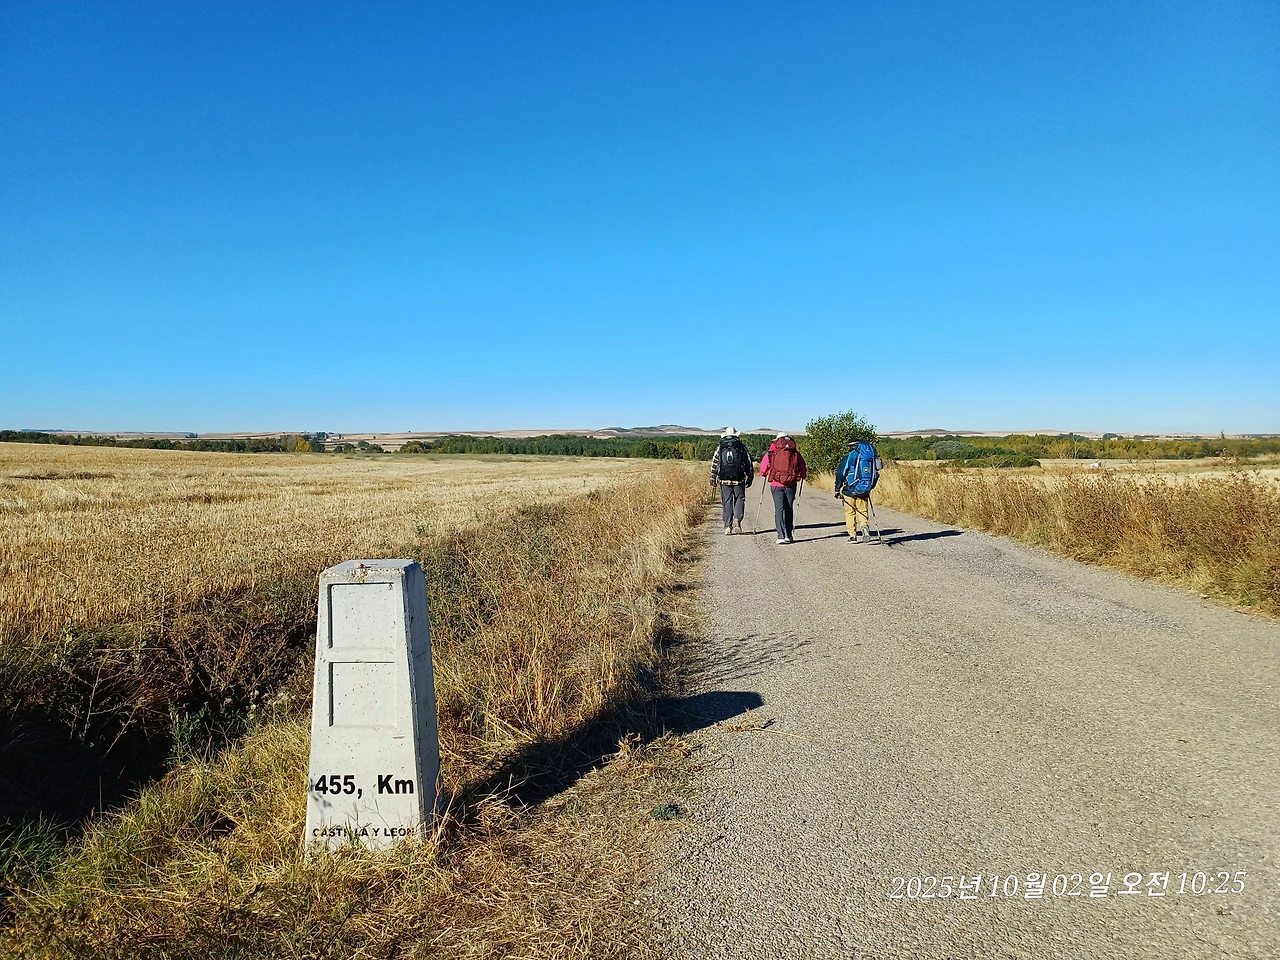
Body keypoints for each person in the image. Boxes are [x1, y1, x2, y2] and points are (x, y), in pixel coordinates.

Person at [759, 433, 806, 543]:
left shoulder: (771, 452)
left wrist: (765, 473)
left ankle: (780, 536)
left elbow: (763, 470)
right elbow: (803, 467)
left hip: (776, 484)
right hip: (791, 484)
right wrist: (802, 476)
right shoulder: (795, 453)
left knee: (779, 509)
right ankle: (788, 535)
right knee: (789, 508)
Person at [710, 426, 753, 534]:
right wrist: (750, 477)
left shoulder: (720, 447)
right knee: (739, 499)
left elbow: (714, 464)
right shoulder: (741, 447)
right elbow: (748, 463)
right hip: (739, 479)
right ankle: (737, 520)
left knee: (727, 501)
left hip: (724, 480)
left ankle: (727, 527)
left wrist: (713, 479)